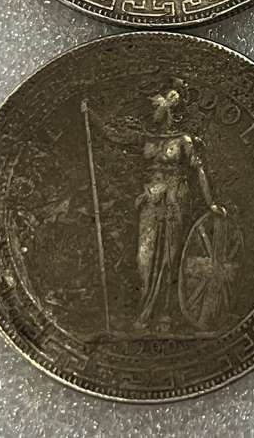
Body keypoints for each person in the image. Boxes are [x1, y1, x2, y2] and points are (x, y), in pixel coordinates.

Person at [93, 84, 226, 332]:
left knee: (169, 257)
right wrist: (90, 114)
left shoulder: (184, 140)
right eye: (154, 106)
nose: (155, 110)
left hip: (175, 198)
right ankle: (144, 309)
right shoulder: (145, 138)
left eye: (160, 105)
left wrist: (211, 203)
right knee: (142, 258)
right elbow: (113, 136)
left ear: (170, 109)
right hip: (150, 199)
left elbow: (199, 171)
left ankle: (165, 313)